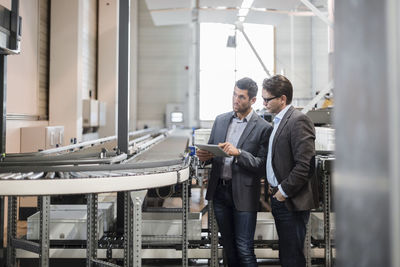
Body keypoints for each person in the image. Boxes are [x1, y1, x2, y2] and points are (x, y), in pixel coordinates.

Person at [197, 77, 272, 267]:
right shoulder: (221, 120)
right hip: (220, 192)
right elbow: (213, 151)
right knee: (228, 247)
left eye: (241, 97)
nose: (235, 100)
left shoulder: (263, 128)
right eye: (234, 94)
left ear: (253, 100)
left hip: (244, 194)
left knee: (244, 248)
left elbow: (262, 165)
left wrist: (239, 153)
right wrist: (205, 156)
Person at [262, 75, 319, 267]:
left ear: (282, 99)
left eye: (267, 99)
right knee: (287, 253)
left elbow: (305, 165)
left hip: (290, 200)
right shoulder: (278, 121)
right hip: (280, 197)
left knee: (292, 257)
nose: (264, 103)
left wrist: (283, 192)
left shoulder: (298, 120)